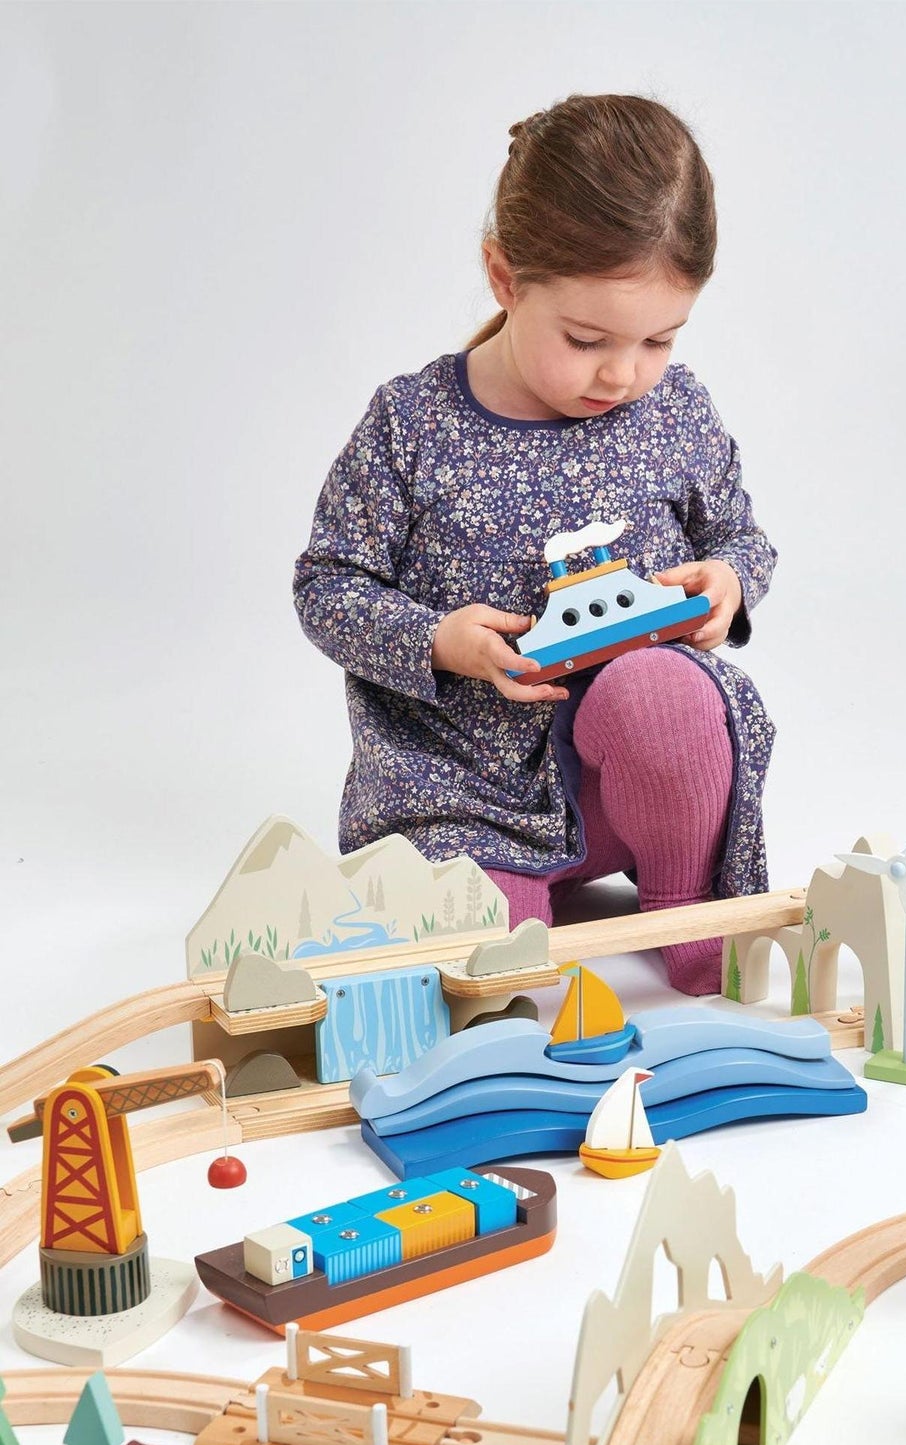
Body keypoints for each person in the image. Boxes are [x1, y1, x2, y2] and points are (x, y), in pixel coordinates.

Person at [293, 93, 778, 994]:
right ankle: (511, 899)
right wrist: (439, 641)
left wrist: (728, 581)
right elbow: (327, 585)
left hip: (631, 789)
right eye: (588, 339)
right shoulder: (412, 425)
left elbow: (741, 536)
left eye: (659, 340)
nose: (623, 373)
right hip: (465, 791)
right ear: (506, 279)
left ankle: (687, 911)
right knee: (489, 978)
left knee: (664, 697)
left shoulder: (674, 413)